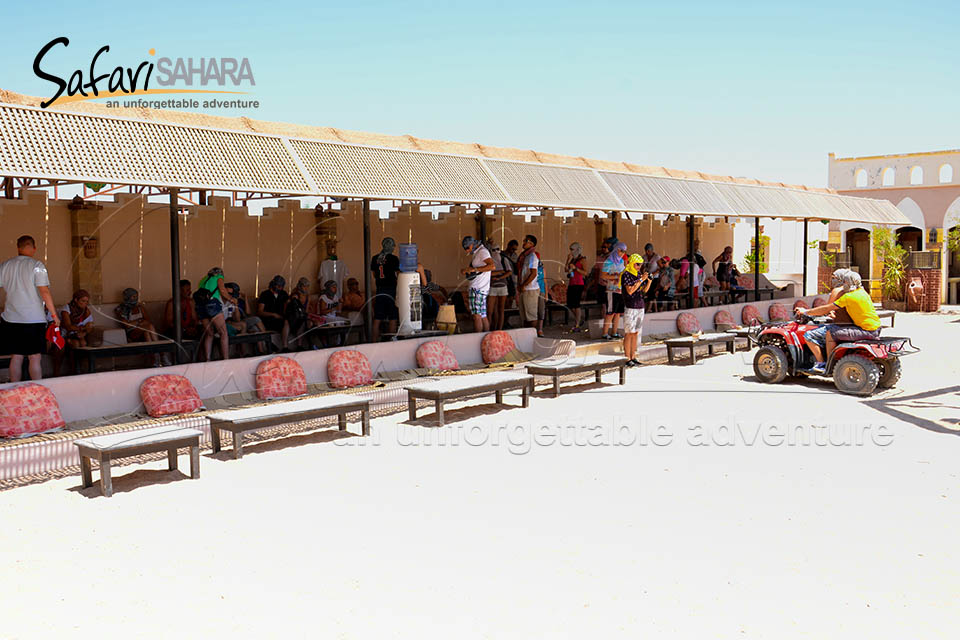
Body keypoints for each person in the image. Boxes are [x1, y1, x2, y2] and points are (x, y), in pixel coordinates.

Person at [0, 235, 59, 382]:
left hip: (11, 318)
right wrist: (54, 315)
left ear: (18, 248)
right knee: (34, 357)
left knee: (16, 356)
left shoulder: (5, 265)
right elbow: (44, 291)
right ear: (33, 248)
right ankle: (37, 388)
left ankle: (15, 389)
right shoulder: (37, 266)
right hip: (34, 318)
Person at [797, 270, 880, 373]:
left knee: (825, 334)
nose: (843, 284)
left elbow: (826, 309)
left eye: (845, 282)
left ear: (848, 283)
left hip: (864, 330)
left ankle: (826, 364)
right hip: (875, 329)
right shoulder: (863, 293)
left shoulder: (848, 296)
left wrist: (806, 311)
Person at [195, 267, 237, 361]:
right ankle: (226, 359)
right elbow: (222, 290)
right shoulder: (219, 277)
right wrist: (231, 299)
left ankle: (208, 359)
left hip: (201, 307)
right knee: (223, 333)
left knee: (209, 333)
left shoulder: (203, 280)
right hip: (212, 304)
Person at [619, 254, 652, 367]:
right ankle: (628, 358)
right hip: (630, 306)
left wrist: (648, 281)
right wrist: (641, 279)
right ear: (632, 263)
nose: (639, 267)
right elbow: (630, 291)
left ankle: (634, 356)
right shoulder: (626, 275)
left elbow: (643, 291)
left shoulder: (638, 274)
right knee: (629, 333)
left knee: (636, 333)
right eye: (637, 264)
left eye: (640, 265)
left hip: (640, 306)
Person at [460, 236, 495, 333]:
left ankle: (478, 337)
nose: (467, 251)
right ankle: (486, 336)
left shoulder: (482, 252)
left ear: (472, 245)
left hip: (478, 289)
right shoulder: (478, 252)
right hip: (480, 288)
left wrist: (474, 269)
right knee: (483, 315)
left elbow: (492, 266)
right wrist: (468, 270)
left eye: (467, 248)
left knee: (476, 316)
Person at [370, 237, 401, 341]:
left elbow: (374, 274)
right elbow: (399, 274)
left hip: (379, 290)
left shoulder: (375, 258)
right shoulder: (393, 259)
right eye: (393, 245)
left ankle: (373, 342)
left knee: (377, 318)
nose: (393, 247)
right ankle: (391, 342)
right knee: (393, 317)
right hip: (391, 290)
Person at [600, 242, 627, 340]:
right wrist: (616, 276)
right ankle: (605, 333)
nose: (623, 253)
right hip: (611, 290)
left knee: (618, 312)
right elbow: (603, 275)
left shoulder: (621, 261)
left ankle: (614, 332)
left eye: (624, 251)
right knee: (610, 312)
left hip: (620, 290)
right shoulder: (608, 261)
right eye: (621, 250)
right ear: (616, 250)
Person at [515, 235, 541, 329]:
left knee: (531, 315)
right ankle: (526, 334)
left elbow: (533, 273)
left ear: (531, 243)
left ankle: (533, 335)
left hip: (530, 289)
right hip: (524, 288)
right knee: (524, 315)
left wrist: (524, 285)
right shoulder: (524, 256)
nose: (523, 243)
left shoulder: (532, 256)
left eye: (525, 241)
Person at [257, 275, 291, 346]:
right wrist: (273, 314)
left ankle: (286, 346)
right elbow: (260, 312)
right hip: (269, 319)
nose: (280, 288)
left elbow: (288, 304)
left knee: (288, 321)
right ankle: (284, 346)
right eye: (279, 286)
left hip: (281, 318)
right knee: (285, 322)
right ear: (274, 285)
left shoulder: (283, 294)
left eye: (282, 287)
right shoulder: (265, 294)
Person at [486, 241, 511, 331]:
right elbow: (487, 273)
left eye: (498, 249)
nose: (496, 251)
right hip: (492, 287)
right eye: (494, 250)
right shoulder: (489, 260)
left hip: (502, 286)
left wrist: (499, 277)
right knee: (490, 311)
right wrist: (500, 272)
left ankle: (499, 329)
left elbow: (509, 272)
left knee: (500, 310)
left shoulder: (504, 259)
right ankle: (490, 329)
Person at [564, 242, 588, 332]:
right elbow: (566, 270)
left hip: (579, 283)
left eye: (572, 249)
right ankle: (579, 319)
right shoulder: (572, 259)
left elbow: (586, 273)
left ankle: (577, 324)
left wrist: (576, 268)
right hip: (571, 283)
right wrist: (568, 260)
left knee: (576, 304)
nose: (571, 251)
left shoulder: (582, 260)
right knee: (570, 304)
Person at [285, 277, 311, 350]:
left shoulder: (308, 296)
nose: (306, 288)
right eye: (304, 286)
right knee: (299, 321)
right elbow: (289, 307)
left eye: (307, 286)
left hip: (302, 315)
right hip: (293, 316)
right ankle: (292, 346)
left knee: (309, 323)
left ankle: (308, 345)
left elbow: (306, 310)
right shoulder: (295, 294)